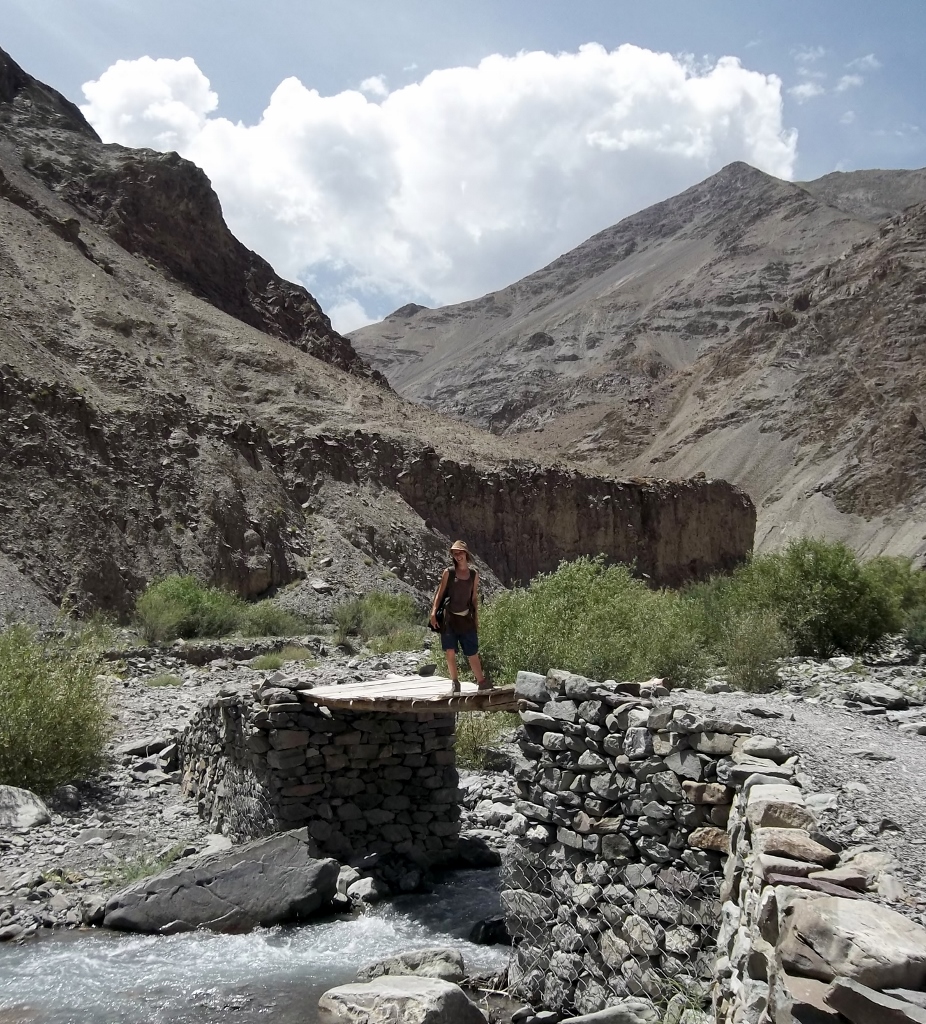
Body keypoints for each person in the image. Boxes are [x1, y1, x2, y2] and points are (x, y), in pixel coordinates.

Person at [430, 540, 491, 693]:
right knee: (450, 651)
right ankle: (455, 683)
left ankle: (482, 682)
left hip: (466, 618)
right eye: (455, 553)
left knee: (472, 651)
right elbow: (440, 594)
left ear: (466, 554)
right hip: (449, 618)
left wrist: (475, 618)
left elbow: (474, 598)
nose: (457, 556)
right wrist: (433, 612)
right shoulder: (449, 573)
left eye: (460, 552)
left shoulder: (473, 574)